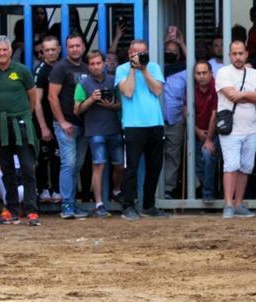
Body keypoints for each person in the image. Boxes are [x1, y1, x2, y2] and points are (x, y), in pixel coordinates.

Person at [0, 36, 41, 226]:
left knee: (27, 167)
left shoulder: (22, 71)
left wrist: (25, 116)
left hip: (21, 124)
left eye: (5, 49)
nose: (2, 53)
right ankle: (11, 210)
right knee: (7, 169)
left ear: (10, 51)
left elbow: (33, 97)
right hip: (1, 126)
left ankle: (32, 210)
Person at [116, 39, 169, 220]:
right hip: (133, 125)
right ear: (130, 52)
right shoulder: (121, 69)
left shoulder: (153, 67)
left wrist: (144, 69)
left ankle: (149, 205)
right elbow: (128, 91)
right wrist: (132, 68)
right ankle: (128, 206)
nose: (138, 56)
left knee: (154, 167)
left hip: (155, 123)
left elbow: (157, 90)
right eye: (134, 52)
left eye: (141, 53)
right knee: (131, 167)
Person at [215, 40, 256, 218]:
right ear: (229, 56)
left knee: (246, 166)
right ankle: (228, 204)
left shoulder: (255, 73)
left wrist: (242, 94)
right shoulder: (223, 72)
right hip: (231, 129)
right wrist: (252, 97)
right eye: (234, 54)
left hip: (251, 128)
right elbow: (230, 95)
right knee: (231, 165)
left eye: (240, 53)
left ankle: (239, 203)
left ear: (246, 54)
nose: (238, 57)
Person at [74, 51, 123, 218]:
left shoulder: (113, 80)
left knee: (119, 164)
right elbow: (77, 110)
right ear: (88, 66)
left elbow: (121, 104)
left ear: (104, 63)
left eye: (98, 63)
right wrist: (91, 99)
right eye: (92, 64)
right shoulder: (83, 84)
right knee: (99, 165)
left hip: (114, 128)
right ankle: (99, 203)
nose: (96, 66)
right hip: (94, 131)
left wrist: (111, 105)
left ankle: (116, 191)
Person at [49, 33, 91, 219]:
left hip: (83, 124)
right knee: (69, 164)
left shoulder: (86, 67)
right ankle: (66, 205)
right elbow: (52, 96)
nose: (74, 49)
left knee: (77, 166)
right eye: (71, 46)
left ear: (83, 46)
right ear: (67, 48)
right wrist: (62, 121)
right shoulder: (60, 68)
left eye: (77, 45)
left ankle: (72, 204)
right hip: (65, 124)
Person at [34, 35, 62, 204]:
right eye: (47, 50)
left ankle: (58, 190)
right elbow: (36, 102)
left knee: (58, 157)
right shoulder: (40, 70)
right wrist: (43, 127)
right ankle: (44, 189)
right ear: (42, 52)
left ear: (59, 49)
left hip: (60, 121)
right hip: (43, 121)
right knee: (43, 157)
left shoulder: (62, 67)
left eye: (53, 49)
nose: (51, 53)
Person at [192, 61, 219, 203]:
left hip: (215, 133)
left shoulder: (216, 87)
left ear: (211, 73)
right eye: (198, 73)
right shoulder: (191, 88)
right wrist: (197, 131)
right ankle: (205, 188)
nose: (201, 76)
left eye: (204, 73)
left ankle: (208, 192)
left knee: (207, 155)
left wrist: (208, 139)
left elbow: (215, 114)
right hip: (197, 132)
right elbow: (186, 111)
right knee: (197, 162)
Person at [162, 66, 187, 201]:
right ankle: (155, 188)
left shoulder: (184, 73)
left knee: (173, 156)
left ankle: (167, 189)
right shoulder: (152, 69)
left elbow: (189, 95)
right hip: (156, 120)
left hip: (175, 120)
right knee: (155, 156)